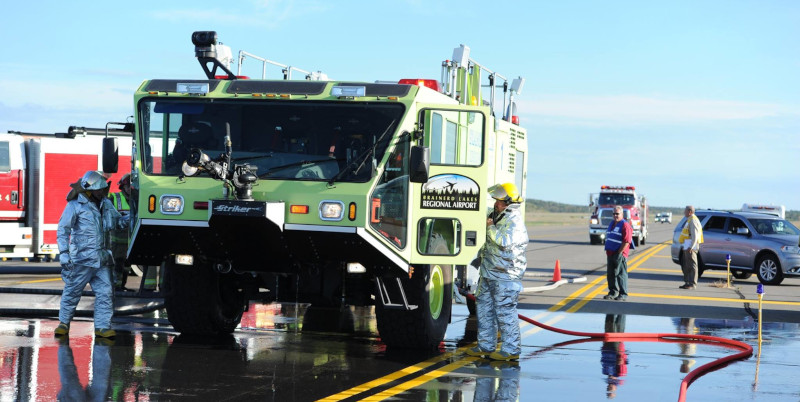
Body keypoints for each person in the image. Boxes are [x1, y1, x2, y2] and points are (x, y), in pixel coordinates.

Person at [54, 170, 128, 338]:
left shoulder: (106, 205)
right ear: (90, 190)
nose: (103, 192)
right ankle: (64, 323)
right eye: (100, 190)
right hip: (81, 259)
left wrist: (133, 218)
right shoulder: (75, 206)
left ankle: (102, 327)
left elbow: (117, 222)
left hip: (102, 259)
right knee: (72, 292)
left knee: (106, 293)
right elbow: (63, 230)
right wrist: (64, 254)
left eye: (103, 189)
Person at [466, 182, 529, 361]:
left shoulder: (514, 222)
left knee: (505, 312)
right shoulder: (499, 215)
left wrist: (490, 227)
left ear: (508, 203)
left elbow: (504, 241)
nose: (495, 203)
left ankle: (511, 349)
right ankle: (485, 345)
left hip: (506, 276)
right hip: (489, 272)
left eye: (498, 201)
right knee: (484, 308)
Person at [603, 205, 633, 301]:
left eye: (617, 214)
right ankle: (612, 292)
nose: (615, 215)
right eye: (614, 213)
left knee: (621, 274)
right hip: (610, 253)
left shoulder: (625, 225)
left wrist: (619, 253)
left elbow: (627, 241)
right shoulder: (612, 223)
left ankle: (623, 294)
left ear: (622, 214)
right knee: (610, 274)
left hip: (619, 254)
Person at [108, 173, 131, 291]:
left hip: (130, 239)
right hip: (118, 239)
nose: (130, 189)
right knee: (118, 263)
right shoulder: (114, 198)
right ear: (123, 187)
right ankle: (116, 286)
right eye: (128, 186)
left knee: (127, 264)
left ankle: (122, 285)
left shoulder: (137, 199)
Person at [678, 205, 704, 289]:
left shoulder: (693, 221)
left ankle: (692, 283)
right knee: (687, 265)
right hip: (687, 245)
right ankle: (687, 282)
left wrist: (691, 247)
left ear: (690, 212)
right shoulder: (689, 220)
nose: (684, 212)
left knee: (692, 265)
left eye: (685, 211)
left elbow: (695, 236)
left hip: (691, 245)